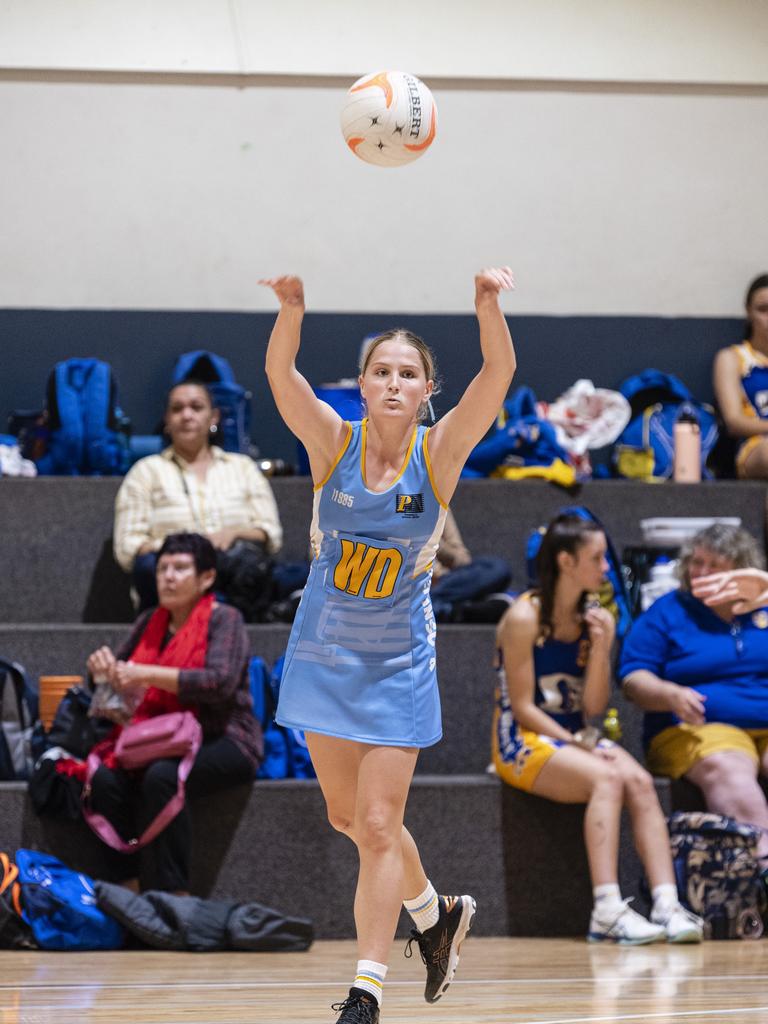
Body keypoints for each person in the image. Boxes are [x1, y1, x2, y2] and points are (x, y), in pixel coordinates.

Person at [261, 267, 516, 1023]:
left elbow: (499, 372)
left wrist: (487, 306)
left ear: (426, 390)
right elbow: (280, 373)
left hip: (396, 662)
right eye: (382, 372)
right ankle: (436, 916)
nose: (396, 383)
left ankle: (366, 990)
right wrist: (292, 310)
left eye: (410, 374)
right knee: (349, 819)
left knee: (377, 825)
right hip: (323, 656)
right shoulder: (330, 441)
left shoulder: (439, 454)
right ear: (363, 385)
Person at [493, 513, 703, 945]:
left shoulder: (593, 618)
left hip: (573, 733)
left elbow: (592, 707)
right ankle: (607, 909)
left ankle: (667, 904)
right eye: (597, 558)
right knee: (608, 777)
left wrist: (604, 647)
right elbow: (522, 707)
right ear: (566, 562)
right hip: (521, 738)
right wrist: (577, 744)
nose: (606, 567)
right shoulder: (523, 616)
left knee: (641, 782)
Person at [85, 532, 262, 893]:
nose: (167, 576)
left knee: (163, 777)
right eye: (163, 568)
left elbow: (218, 683)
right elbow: (117, 683)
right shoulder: (150, 621)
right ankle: (127, 890)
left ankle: (175, 896)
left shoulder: (224, 619)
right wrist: (101, 674)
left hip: (223, 736)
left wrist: (145, 674)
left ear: (206, 578)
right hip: (159, 737)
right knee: (104, 779)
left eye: (180, 568)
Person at [621, 523, 768, 876]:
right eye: (696, 562)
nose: (701, 572)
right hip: (698, 726)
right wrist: (669, 694)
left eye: (714, 565)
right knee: (729, 770)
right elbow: (632, 676)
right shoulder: (668, 611)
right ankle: (763, 869)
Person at [113, 380, 283, 620]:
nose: (187, 415)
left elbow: (270, 534)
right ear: (167, 421)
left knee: (256, 566)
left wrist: (233, 533)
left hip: (230, 570)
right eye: (177, 409)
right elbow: (128, 547)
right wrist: (181, 550)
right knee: (147, 567)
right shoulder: (145, 472)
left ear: (213, 417)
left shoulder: (243, 468)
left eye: (196, 407)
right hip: (172, 577)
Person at [712, 273, 768, 478]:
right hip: (755, 447)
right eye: (763, 310)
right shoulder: (733, 358)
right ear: (749, 312)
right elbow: (734, 422)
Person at [429, 508, 512, 622]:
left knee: (496, 567)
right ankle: (448, 608)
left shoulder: (441, 503)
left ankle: (453, 608)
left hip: (448, 578)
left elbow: (462, 558)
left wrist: (432, 540)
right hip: (426, 580)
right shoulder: (402, 507)